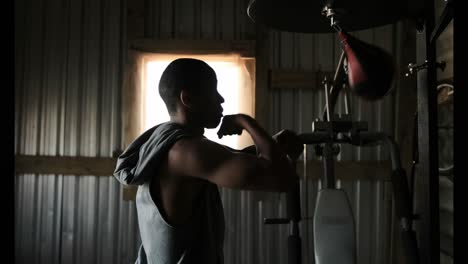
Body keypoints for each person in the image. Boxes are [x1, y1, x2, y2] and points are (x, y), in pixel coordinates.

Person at [114, 58, 303, 264]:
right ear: (188, 98)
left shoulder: (166, 142)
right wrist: (243, 121)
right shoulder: (187, 152)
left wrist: (275, 143)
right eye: (213, 92)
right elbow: (282, 178)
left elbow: (233, 158)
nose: (221, 99)